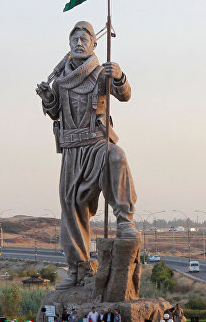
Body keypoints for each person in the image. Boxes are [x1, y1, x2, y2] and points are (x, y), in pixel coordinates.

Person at [36, 21, 139, 289]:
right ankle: (78, 268)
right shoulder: (60, 79)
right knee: (71, 208)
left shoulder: (100, 72)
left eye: (84, 39)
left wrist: (118, 75)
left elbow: (124, 95)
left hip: (96, 142)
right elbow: (56, 111)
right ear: (69, 45)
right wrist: (48, 97)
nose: (79, 43)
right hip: (71, 150)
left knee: (117, 157)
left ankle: (125, 220)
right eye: (75, 40)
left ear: (94, 43)